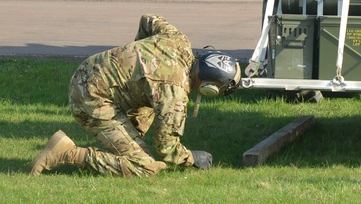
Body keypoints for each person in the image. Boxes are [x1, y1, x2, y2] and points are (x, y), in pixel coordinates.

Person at [29, 14, 241, 177]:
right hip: (90, 98)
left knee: (149, 102)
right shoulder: (174, 93)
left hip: (89, 70)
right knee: (144, 167)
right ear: (209, 87)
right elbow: (166, 149)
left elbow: (149, 19)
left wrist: (135, 55)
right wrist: (192, 158)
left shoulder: (178, 40)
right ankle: (66, 152)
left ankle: (127, 140)